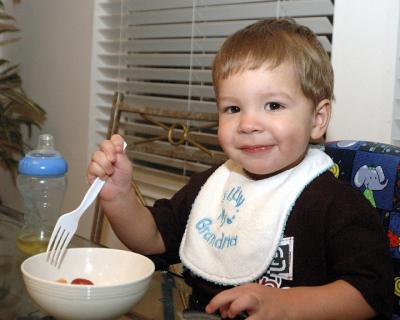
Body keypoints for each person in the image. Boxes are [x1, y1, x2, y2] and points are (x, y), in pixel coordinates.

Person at [87, 18, 393, 319]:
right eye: (233, 108)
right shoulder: (212, 186)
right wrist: (119, 196)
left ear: (317, 119)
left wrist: (287, 305)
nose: (248, 124)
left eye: (273, 105)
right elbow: (152, 239)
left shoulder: (338, 204)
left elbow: (369, 294)